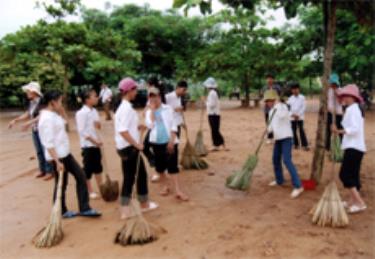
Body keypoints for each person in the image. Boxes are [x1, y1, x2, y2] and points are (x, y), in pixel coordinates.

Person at [38, 90, 101, 218]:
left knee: (80, 177)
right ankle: (62, 210)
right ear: (52, 102)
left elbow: (66, 124)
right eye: (60, 101)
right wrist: (56, 161)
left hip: (65, 153)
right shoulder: (46, 119)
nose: (62, 104)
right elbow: (48, 142)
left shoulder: (54, 114)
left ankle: (83, 208)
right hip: (58, 156)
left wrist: (62, 112)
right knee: (63, 183)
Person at [115, 77, 158, 219]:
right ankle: (125, 210)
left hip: (124, 147)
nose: (136, 92)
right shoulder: (126, 108)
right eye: (135, 89)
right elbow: (122, 131)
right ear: (129, 91)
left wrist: (137, 127)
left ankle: (142, 204)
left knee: (139, 175)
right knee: (130, 178)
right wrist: (136, 144)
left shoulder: (123, 107)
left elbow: (125, 127)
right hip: (129, 148)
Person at [145, 87, 189, 201]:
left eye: (155, 96)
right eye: (151, 96)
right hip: (156, 142)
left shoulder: (168, 108)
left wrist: (171, 141)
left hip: (169, 141)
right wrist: (153, 111)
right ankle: (165, 186)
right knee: (160, 168)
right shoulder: (149, 112)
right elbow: (150, 125)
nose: (153, 98)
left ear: (159, 96)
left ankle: (178, 190)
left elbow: (174, 125)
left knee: (172, 166)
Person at [8, 82, 54, 180]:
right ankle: (42, 170)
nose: (27, 93)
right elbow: (28, 113)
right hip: (35, 129)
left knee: (46, 150)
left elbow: (41, 115)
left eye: (28, 91)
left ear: (34, 92)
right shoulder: (32, 102)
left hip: (43, 129)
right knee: (39, 151)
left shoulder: (43, 102)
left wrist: (28, 123)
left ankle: (50, 171)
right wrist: (16, 120)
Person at [332, 84, 367, 214]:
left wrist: (339, 131)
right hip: (355, 147)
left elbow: (354, 129)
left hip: (354, 147)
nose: (343, 98)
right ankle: (352, 201)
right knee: (353, 175)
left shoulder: (353, 109)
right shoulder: (352, 108)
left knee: (345, 175)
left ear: (352, 97)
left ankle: (360, 202)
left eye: (345, 95)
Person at [265, 90, 304, 199]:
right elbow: (270, 127)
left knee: (286, 160)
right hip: (278, 139)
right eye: (266, 101)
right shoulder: (270, 111)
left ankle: (298, 185)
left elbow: (283, 115)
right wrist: (267, 132)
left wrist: (278, 104)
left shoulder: (282, 107)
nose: (267, 103)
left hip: (286, 137)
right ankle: (279, 180)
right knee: (275, 159)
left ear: (274, 100)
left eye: (269, 100)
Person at [75, 89, 103, 200]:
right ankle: (90, 190)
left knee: (98, 167)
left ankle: (101, 188)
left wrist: (98, 125)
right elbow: (82, 131)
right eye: (94, 96)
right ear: (87, 99)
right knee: (88, 169)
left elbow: (97, 127)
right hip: (88, 145)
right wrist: (94, 141)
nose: (97, 98)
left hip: (96, 144)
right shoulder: (81, 113)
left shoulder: (94, 111)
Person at [203, 77, 227, 151]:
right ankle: (216, 145)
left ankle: (221, 143)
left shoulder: (212, 93)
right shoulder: (212, 93)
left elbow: (212, 105)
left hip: (213, 114)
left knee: (215, 130)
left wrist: (204, 101)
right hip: (213, 114)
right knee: (214, 130)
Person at [287, 82, 309, 151]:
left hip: (300, 117)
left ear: (299, 89)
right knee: (293, 131)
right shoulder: (290, 98)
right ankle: (295, 144)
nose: (295, 90)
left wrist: (298, 115)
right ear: (291, 90)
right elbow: (288, 108)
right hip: (292, 118)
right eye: (293, 89)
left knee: (301, 130)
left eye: (296, 89)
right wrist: (292, 114)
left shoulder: (302, 97)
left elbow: (303, 107)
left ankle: (304, 145)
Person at [261, 74, 281, 144]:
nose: (269, 80)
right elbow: (263, 96)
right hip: (267, 109)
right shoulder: (264, 88)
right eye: (268, 79)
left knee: (276, 123)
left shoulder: (277, 87)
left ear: (273, 79)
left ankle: (277, 137)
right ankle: (270, 137)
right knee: (268, 123)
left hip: (276, 108)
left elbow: (279, 96)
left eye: (271, 78)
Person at [326, 73, 343, 150]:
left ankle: (341, 145)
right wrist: (329, 109)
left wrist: (336, 93)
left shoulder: (340, 90)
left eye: (334, 83)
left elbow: (341, 102)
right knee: (328, 130)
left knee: (339, 129)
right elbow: (326, 101)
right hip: (330, 113)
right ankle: (328, 146)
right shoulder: (328, 91)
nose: (333, 85)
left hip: (338, 113)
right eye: (332, 83)